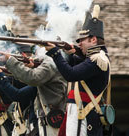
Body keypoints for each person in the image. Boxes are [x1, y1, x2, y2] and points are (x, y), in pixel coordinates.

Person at [45, 5, 111, 136]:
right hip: (78, 111)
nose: (79, 44)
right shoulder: (92, 58)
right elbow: (74, 69)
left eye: (82, 40)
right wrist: (69, 54)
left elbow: (71, 74)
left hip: (84, 113)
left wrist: (55, 53)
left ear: (93, 39)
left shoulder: (98, 59)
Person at [0, 46, 67, 136]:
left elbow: (32, 78)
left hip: (53, 116)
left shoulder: (50, 62)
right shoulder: (50, 63)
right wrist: (32, 66)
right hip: (47, 117)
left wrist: (10, 60)